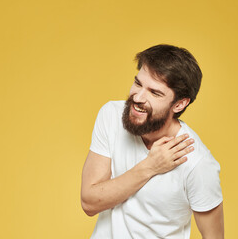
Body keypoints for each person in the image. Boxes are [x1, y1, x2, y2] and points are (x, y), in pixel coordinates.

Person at [81, 44, 224, 239]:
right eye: (138, 84)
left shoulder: (197, 162)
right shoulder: (111, 116)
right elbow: (89, 203)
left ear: (180, 103)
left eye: (155, 93)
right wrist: (150, 166)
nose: (138, 98)